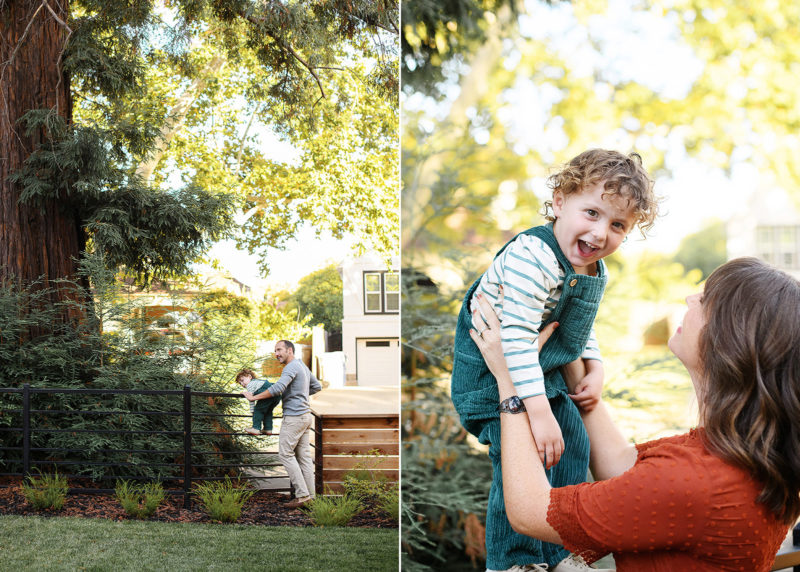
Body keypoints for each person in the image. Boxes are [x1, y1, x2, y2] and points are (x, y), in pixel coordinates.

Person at [469, 257, 800, 571]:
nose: (690, 299)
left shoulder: (699, 481)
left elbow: (531, 511)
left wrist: (510, 381)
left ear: (732, 340)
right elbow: (620, 465)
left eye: (707, 298)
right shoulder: (734, 457)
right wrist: (570, 354)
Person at [451, 149, 658, 572]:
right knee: (521, 457)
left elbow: (577, 323)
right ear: (560, 200)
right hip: (492, 376)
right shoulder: (535, 256)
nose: (601, 233)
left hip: (537, 374)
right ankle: (515, 562)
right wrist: (538, 411)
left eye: (618, 224)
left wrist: (595, 365)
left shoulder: (589, 265)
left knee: (572, 447)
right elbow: (515, 337)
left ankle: (560, 554)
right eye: (592, 213)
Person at [244, 340, 322, 509]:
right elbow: (317, 386)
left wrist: (254, 397)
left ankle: (302, 496)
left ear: (290, 350)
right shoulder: (302, 366)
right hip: (305, 416)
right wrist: (298, 393)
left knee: (285, 454)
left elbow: (278, 388)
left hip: (294, 418)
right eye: (275, 351)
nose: (276, 354)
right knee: (304, 458)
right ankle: (311, 498)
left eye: (279, 350)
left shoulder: (291, 367)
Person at [236, 368, 281, 435]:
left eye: (242, 380)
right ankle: (268, 429)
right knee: (268, 412)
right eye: (240, 383)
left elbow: (251, 399)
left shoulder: (250, 384)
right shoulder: (257, 382)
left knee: (258, 410)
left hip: (267, 394)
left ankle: (256, 428)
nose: (242, 384)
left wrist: (252, 411)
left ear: (249, 377)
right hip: (277, 395)